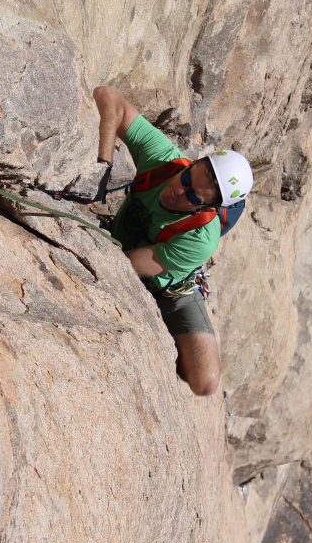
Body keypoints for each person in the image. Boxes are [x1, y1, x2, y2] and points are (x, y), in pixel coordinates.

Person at [87, 85, 253, 396]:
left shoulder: (201, 238)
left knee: (204, 382)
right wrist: (102, 164)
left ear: (206, 207)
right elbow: (109, 96)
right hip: (135, 246)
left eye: (192, 195)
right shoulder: (167, 162)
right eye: (188, 178)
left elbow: (128, 264)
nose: (180, 189)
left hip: (169, 289)